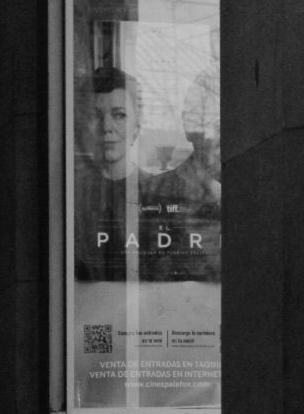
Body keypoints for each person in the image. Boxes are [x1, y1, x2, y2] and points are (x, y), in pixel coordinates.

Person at [73, 67, 218, 284]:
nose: (107, 127)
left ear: (137, 125)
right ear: (82, 124)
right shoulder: (70, 194)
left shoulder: (157, 195)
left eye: (119, 115)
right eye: (95, 116)